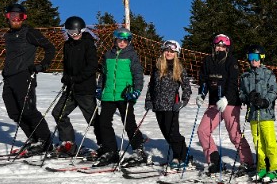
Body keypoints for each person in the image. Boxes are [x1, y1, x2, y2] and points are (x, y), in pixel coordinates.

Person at [1, 2, 56, 154]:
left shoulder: (29, 33)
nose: (15, 19)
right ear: (7, 17)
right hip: (9, 78)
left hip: (24, 76)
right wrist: (6, 70)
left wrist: (42, 65)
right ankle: (33, 140)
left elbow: (50, 48)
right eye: (12, 16)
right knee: (14, 112)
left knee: (28, 110)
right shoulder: (8, 35)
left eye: (19, 16)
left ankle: (45, 142)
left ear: (24, 18)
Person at [196, 33, 253, 175]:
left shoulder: (231, 61)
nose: (220, 48)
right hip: (214, 103)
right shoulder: (208, 60)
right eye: (218, 45)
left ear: (227, 48)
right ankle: (214, 160)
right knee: (203, 131)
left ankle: (247, 162)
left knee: (234, 134)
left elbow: (233, 82)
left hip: (230, 102)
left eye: (223, 46)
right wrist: (201, 94)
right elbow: (204, 80)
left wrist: (226, 98)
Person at [93, 28, 146, 167]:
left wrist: (136, 91)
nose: (122, 43)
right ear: (115, 40)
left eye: (125, 41)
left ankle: (139, 150)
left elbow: (138, 75)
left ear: (129, 42)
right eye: (119, 40)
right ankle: (111, 151)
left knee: (129, 123)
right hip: (109, 95)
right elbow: (103, 74)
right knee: (103, 123)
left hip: (125, 94)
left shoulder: (132, 55)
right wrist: (99, 88)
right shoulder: (108, 55)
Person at [51, 16, 99, 157]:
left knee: (93, 120)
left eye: (76, 32)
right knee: (58, 113)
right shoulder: (67, 45)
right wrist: (66, 77)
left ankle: (106, 146)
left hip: (85, 89)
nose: (74, 35)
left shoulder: (88, 44)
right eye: (70, 32)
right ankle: (68, 143)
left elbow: (92, 66)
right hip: (71, 89)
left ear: (82, 30)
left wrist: (77, 78)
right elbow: (67, 64)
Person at [238, 44, 277, 181]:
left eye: (256, 57)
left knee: (270, 143)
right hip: (253, 114)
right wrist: (247, 98)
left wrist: (265, 101)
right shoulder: (245, 76)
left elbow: (273, 90)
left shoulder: (268, 73)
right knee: (258, 143)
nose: (253, 60)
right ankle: (262, 168)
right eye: (251, 57)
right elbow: (241, 93)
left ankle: (275, 169)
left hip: (266, 114)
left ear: (261, 58)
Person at [145, 40, 192, 169]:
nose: (169, 53)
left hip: (172, 106)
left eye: (172, 51)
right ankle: (179, 155)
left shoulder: (179, 68)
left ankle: (182, 156)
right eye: (167, 51)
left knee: (173, 134)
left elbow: (187, 88)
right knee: (166, 133)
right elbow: (151, 86)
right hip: (158, 106)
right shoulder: (157, 67)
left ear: (176, 54)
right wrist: (148, 100)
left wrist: (183, 101)